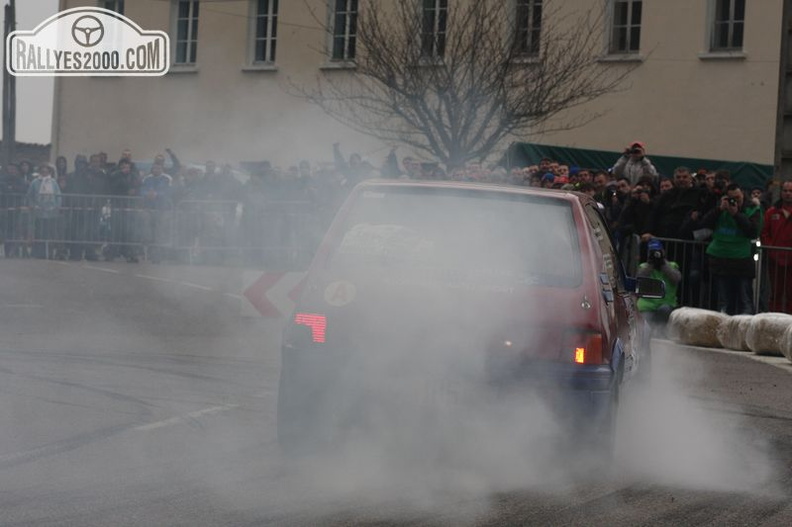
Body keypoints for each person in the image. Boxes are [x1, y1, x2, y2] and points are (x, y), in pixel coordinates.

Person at [699, 183, 760, 315]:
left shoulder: (752, 209)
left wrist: (736, 214)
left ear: (743, 194)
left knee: (745, 300)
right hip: (720, 259)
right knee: (724, 301)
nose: (735, 201)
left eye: (737, 197)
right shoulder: (719, 209)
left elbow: (752, 231)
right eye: (731, 198)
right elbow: (704, 224)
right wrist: (719, 209)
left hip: (742, 260)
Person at [760, 180, 792, 313]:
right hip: (775, 260)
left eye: (791, 191)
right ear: (781, 192)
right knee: (775, 293)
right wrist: (771, 250)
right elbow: (764, 233)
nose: (788, 194)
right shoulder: (771, 212)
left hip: (791, 260)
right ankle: (774, 320)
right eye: (785, 191)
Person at [637, 239, 681, 335]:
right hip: (647, 305)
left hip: (665, 303)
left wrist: (663, 264)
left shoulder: (672, 265)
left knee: (664, 310)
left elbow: (676, 278)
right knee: (644, 325)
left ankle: (661, 333)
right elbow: (640, 278)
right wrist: (651, 264)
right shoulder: (643, 266)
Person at [26, 164, 62, 259]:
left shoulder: (54, 182)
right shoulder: (35, 182)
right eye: (42, 171)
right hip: (39, 213)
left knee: (50, 234)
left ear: (49, 172)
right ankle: (37, 253)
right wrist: (33, 205)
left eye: (46, 171)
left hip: (51, 213)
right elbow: (30, 195)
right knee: (39, 233)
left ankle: (49, 253)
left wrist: (57, 207)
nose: (44, 173)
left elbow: (58, 196)